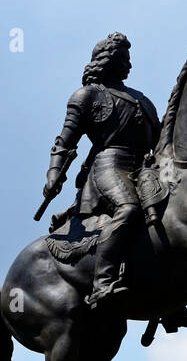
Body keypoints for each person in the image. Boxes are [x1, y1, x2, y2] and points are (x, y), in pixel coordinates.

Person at [42, 32, 160, 308]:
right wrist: (53, 174)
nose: (129, 65)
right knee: (128, 209)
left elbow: (160, 139)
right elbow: (64, 142)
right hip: (109, 165)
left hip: (145, 166)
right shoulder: (87, 96)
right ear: (109, 60)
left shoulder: (141, 99)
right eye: (124, 59)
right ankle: (102, 282)